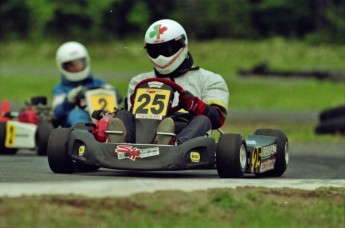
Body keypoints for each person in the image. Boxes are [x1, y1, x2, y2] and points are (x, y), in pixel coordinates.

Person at [107, 19, 229, 145]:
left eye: (167, 50)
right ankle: (121, 145)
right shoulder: (139, 81)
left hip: (184, 129)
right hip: (143, 131)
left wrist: (195, 105)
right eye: (155, 50)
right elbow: (131, 116)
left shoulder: (209, 79)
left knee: (203, 119)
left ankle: (174, 144)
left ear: (183, 44)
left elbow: (217, 119)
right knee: (123, 114)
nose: (160, 57)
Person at [52, 41, 122, 127]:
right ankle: (83, 134)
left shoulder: (98, 83)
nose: (77, 67)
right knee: (76, 113)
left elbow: (116, 96)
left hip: (102, 119)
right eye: (71, 65)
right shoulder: (61, 89)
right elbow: (56, 113)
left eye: (79, 63)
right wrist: (69, 100)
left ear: (86, 61)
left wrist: (114, 94)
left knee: (122, 114)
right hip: (74, 126)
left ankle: (113, 133)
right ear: (63, 66)